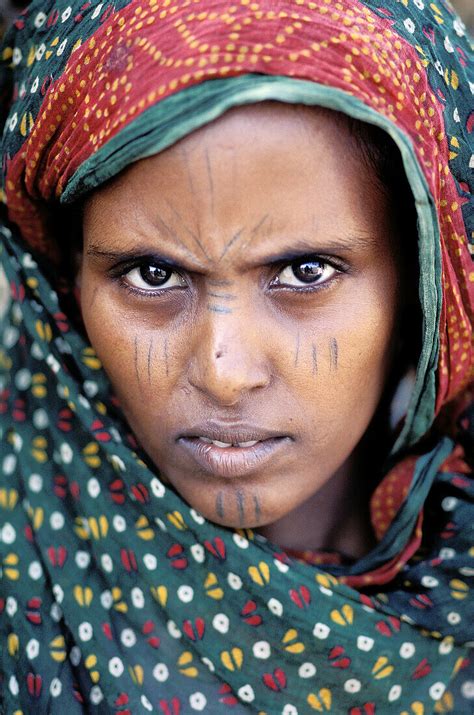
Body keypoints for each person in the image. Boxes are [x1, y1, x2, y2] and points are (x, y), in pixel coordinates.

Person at [0, 1, 472, 713]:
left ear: (427, 280)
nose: (224, 371)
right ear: (68, 277)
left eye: (306, 272)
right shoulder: (23, 557)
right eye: (152, 275)